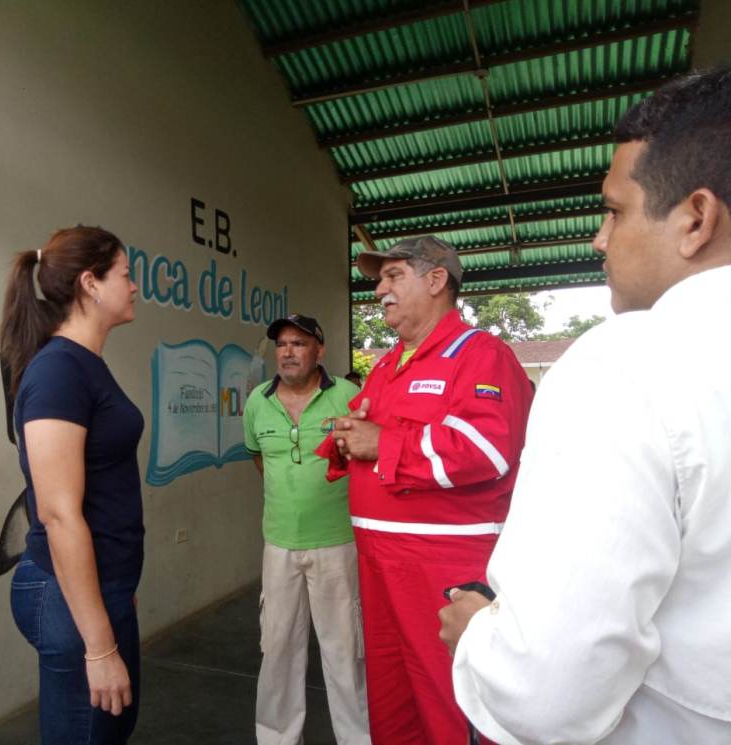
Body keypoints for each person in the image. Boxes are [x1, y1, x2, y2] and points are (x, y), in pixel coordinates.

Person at [440, 66, 731, 744]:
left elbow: (544, 696)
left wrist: (478, 633)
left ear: (695, 218)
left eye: (614, 210)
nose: (598, 240)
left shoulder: (627, 364)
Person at [317, 237, 533, 744]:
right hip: (378, 562)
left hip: (442, 566)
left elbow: (487, 447)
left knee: (448, 703)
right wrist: (346, 438)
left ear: (436, 280)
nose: (380, 290)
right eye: (379, 279)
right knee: (392, 703)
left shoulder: (481, 355)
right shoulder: (389, 366)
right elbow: (361, 436)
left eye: (393, 276)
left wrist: (382, 443)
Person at [0, 226, 143, 744]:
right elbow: (58, 514)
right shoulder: (59, 371)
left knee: (110, 729)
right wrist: (100, 648)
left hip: (102, 587)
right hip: (65, 595)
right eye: (125, 275)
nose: (133, 287)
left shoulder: (84, 365)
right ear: (90, 283)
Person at [243, 314, 369, 745]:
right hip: (278, 544)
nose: (288, 351)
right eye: (281, 344)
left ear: (320, 350)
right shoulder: (258, 400)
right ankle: (278, 738)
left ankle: (357, 738)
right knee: (277, 651)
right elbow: (259, 458)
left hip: (338, 543)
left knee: (344, 653)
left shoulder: (350, 396)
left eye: (299, 343)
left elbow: (370, 456)